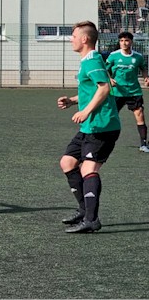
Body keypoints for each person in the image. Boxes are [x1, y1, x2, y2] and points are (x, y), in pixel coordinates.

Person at [56, 21, 121, 233]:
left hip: (102, 126)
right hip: (89, 127)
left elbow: (104, 88)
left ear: (84, 39)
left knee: (88, 169)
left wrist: (85, 111)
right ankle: (84, 211)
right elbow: (92, 90)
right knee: (67, 162)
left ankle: (92, 220)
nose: (71, 39)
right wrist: (74, 101)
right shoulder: (88, 61)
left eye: (73, 36)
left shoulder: (92, 61)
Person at [104, 31, 149, 152]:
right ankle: (105, 141)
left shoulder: (138, 57)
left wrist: (146, 77)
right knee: (111, 117)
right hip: (117, 92)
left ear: (131, 42)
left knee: (140, 114)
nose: (124, 43)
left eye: (126, 40)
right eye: (121, 41)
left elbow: (143, 68)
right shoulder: (113, 55)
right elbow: (104, 70)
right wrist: (110, 79)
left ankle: (144, 144)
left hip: (134, 91)